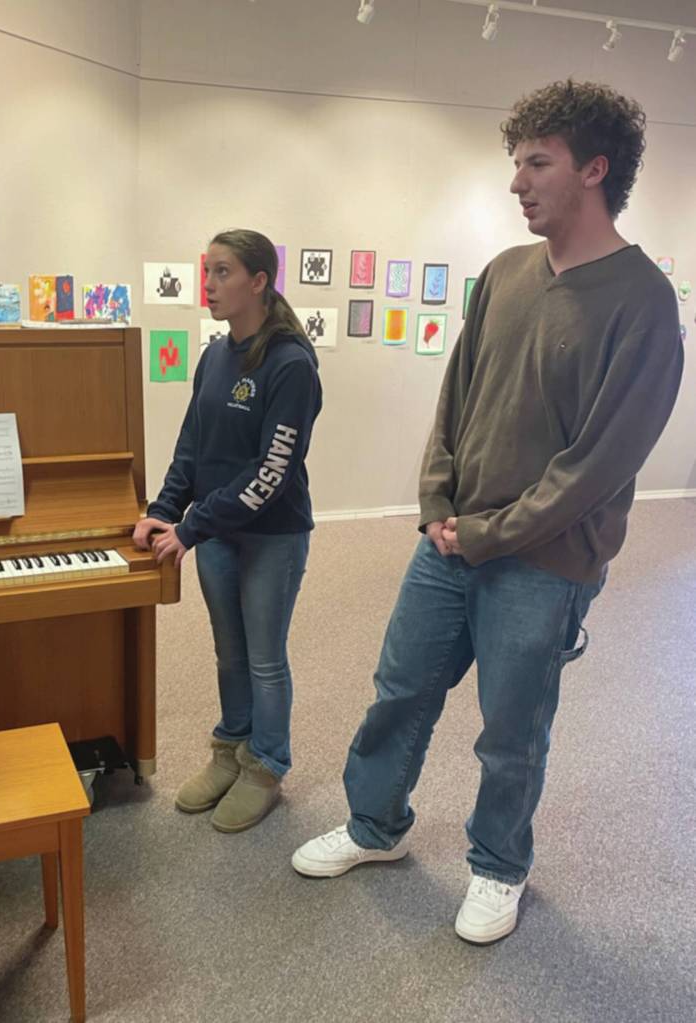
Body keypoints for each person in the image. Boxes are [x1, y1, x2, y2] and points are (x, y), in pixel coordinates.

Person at [292, 80, 684, 944]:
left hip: (543, 566)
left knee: (512, 731)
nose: (517, 182)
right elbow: (456, 398)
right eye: (516, 162)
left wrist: (488, 532)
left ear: (594, 168)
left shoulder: (644, 305)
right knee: (399, 692)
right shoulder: (506, 273)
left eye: (536, 162)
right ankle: (373, 826)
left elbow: (597, 467)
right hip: (450, 542)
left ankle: (499, 866)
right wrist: (438, 501)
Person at [134, 229, 322, 833]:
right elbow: (194, 444)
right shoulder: (214, 355)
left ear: (259, 281)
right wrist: (165, 508)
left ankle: (266, 766)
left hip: (272, 536)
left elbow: (270, 473)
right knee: (229, 652)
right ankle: (231, 750)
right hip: (216, 533)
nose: (208, 285)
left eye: (222, 273)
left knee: (265, 659)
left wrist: (191, 529)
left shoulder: (291, 364)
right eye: (206, 272)